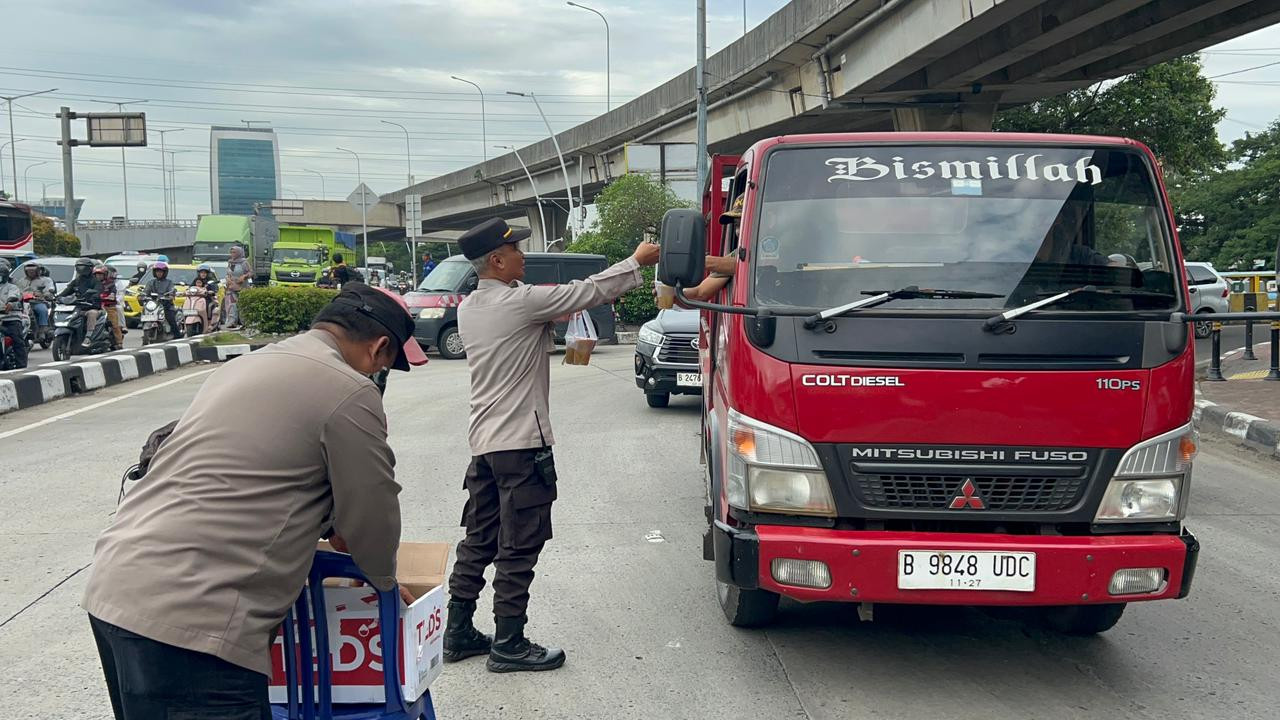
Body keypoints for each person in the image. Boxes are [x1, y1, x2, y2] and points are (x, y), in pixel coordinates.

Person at [82, 284, 428, 719]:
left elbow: (257, 471)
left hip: (118, 590)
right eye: (385, 364)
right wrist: (385, 581)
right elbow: (371, 513)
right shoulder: (349, 390)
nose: (378, 374)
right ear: (379, 347)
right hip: (195, 619)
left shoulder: (247, 364)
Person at [444, 217, 659, 673]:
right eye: (517, 250)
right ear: (496, 261)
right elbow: (587, 292)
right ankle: (509, 643)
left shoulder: (471, 308)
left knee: (479, 538)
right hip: (521, 446)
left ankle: (458, 631)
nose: (524, 256)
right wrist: (636, 262)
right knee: (519, 545)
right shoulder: (518, 302)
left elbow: (554, 309)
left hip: (484, 445)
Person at [57, 258, 104, 348]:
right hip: (78, 308)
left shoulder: (95, 281)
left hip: (91, 307)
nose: (81, 269)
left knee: (92, 314)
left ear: (90, 268)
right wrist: (58, 297)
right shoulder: (77, 280)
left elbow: (97, 291)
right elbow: (67, 291)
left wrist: (92, 296)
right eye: (79, 267)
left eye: (83, 267)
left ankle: (88, 337)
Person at [140, 261, 182, 340]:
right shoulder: (151, 282)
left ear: (164, 273)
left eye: (161, 271)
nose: (159, 273)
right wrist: (143, 295)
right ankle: (146, 330)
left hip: (166, 305)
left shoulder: (169, 282)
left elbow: (172, 290)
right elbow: (146, 291)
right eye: (157, 271)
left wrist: (170, 295)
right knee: (144, 313)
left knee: (171, 318)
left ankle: (177, 335)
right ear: (154, 272)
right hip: (154, 305)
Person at [0, 260, 27, 368]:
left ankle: (22, 366)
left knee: (17, 340)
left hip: (10, 318)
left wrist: (10, 303)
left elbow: (14, 296)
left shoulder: (12, 287)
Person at [15, 262, 56, 333]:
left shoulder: (46, 280)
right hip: (23, 302)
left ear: (38, 271)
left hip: (38, 302)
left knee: (42, 310)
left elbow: (49, 289)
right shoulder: (21, 280)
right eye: (29, 270)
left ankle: (43, 329)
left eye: (33, 270)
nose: (31, 272)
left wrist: (45, 294)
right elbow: (17, 290)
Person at [94, 264, 124, 349]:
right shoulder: (93, 284)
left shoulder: (110, 284)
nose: (99, 276)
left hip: (108, 306)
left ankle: (119, 342)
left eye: (101, 274)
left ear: (105, 275)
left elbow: (112, 295)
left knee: (114, 324)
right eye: (97, 275)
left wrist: (104, 297)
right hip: (96, 307)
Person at [223, 246, 252, 329]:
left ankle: (244, 322)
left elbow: (250, 273)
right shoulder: (231, 262)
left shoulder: (244, 262)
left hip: (242, 287)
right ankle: (232, 322)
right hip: (232, 286)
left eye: (234, 252)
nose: (232, 254)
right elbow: (229, 273)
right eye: (231, 252)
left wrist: (244, 277)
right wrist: (228, 279)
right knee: (232, 305)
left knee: (243, 305)